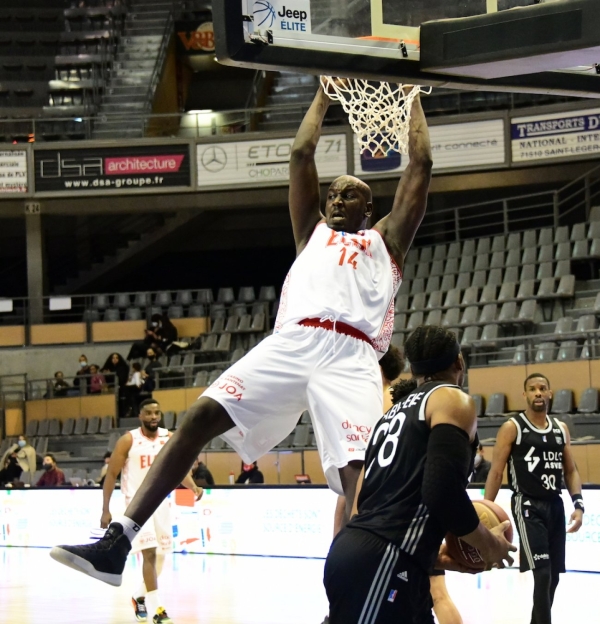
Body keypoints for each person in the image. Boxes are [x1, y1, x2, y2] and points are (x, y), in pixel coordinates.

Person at [49, 82, 433, 590]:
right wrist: (324, 95)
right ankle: (118, 541)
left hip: (351, 354)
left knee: (356, 478)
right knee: (201, 415)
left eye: (353, 195)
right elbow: (300, 152)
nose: (338, 198)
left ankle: (376, 581)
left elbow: (421, 166)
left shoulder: (385, 242)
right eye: (334, 192)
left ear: (370, 210)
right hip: (293, 341)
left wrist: (412, 100)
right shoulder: (310, 232)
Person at [324, 325, 515, 623]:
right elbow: (442, 492)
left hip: (374, 557)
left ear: (413, 369)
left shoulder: (388, 418)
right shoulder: (452, 399)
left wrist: (433, 554)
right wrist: (488, 546)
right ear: (459, 362)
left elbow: (360, 505)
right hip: (384, 561)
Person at [53, 399, 202, 624]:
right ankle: (158, 610)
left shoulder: (168, 438)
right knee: (149, 554)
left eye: (157, 413)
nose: (153, 417)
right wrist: (106, 509)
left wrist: (192, 486)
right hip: (136, 505)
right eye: (149, 413)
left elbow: (178, 468)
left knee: (160, 557)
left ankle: (139, 596)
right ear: (140, 416)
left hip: (161, 503)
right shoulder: (128, 440)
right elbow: (111, 475)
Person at [484, 373, 584, 624]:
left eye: (542, 388)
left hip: (555, 504)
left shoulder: (560, 429)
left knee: (554, 576)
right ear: (525, 395)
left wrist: (578, 504)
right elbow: (496, 472)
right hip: (527, 504)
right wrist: (487, 510)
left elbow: (570, 470)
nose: (538, 392)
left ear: (550, 393)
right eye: (532, 389)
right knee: (542, 573)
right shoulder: (513, 427)